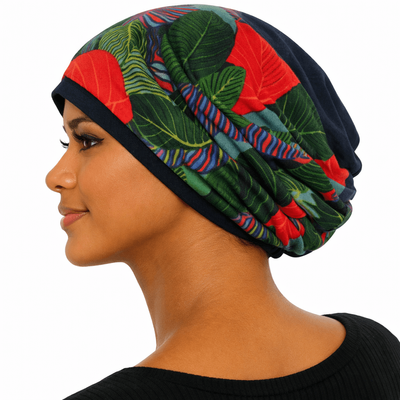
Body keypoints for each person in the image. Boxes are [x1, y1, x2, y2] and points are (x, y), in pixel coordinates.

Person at [46, 5, 400, 399]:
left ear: (198, 156)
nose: (56, 177)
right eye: (66, 142)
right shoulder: (379, 353)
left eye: (88, 140)